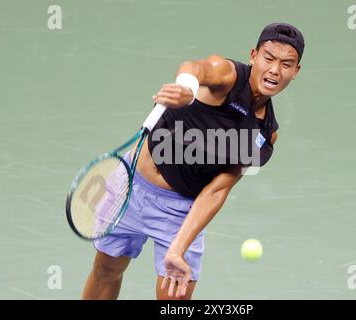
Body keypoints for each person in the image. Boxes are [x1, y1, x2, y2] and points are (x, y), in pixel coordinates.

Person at [82, 22, 305, 300]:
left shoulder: (263, 135)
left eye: (286, 64)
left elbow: (217, 190)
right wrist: (188, 89)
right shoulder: (227, 76)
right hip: (130, 187)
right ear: (253, 56)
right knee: (106, 270)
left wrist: (178, 248)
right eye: (268, 58)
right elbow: (195, 67)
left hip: (180, 211)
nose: (274, 69)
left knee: (175, 300)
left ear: (296, 72)